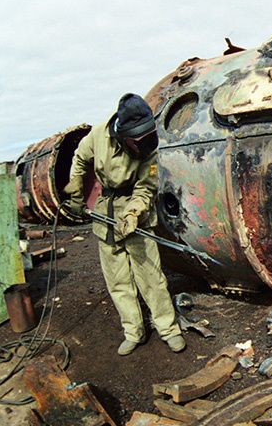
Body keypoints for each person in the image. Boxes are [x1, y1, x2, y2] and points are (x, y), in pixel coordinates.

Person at [65, 93, 186, 356]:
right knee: (118, 280)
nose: (145, 145)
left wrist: (133, 214)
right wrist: (76, 187)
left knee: (151, 277)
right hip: (106, 214)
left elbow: (146, 187)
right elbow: (80, 158)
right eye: (138, 141)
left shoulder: (149, 147)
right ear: (123, 134)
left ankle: (168, 329)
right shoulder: (98, 135)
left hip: (136, 212)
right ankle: (134, 332)